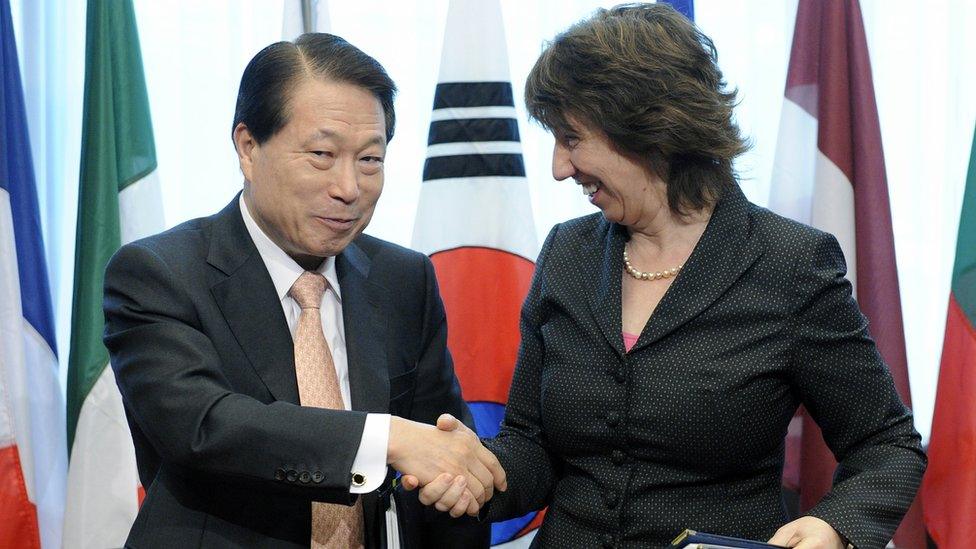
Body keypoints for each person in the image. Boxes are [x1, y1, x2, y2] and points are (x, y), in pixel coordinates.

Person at [410, 4, 925, 548]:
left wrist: (836, 527)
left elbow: (886, 444)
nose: (559, 167)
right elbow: (533, 446)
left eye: (572, 137)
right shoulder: (568, 251)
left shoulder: (789, 265)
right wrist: (474, 477)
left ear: (647, 126)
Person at [102, 33, 505, 549]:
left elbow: (443, 456)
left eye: (369, 160)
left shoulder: (403, 278)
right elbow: (202, 426)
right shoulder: (158, 272)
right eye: (321, 154)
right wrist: (387, 439)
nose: (349, 188)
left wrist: (455, 479)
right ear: (248, 147)